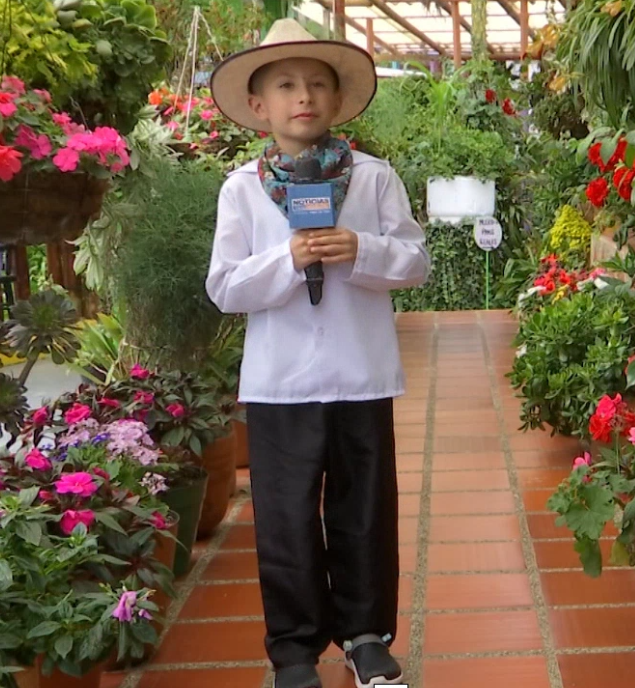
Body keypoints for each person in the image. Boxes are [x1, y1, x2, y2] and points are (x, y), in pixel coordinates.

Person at [205, 19, 431, 688]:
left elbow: (415, 262)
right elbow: (223, 285)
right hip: (281, 385)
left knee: (364, 509)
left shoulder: (373, 179)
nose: (302, 96)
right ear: (259, 106)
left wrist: (362, 250)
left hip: (362, 375)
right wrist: (286, 258)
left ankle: (366, 637)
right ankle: (296, 652)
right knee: (285, 519)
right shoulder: (242, 189)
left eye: (316, 85)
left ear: (337, 101)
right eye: (285, 85)